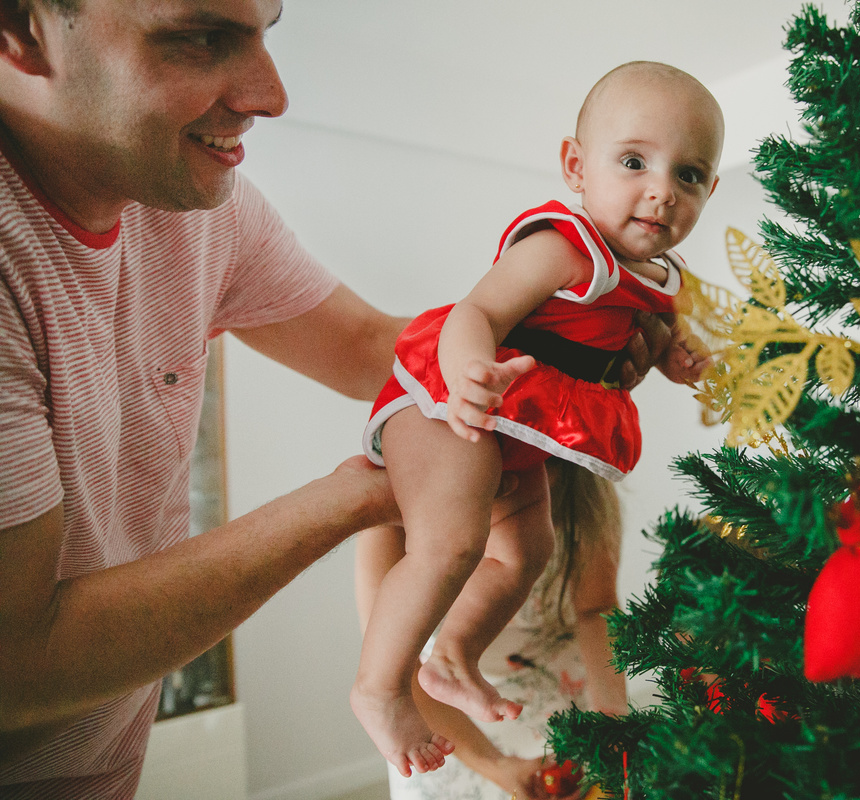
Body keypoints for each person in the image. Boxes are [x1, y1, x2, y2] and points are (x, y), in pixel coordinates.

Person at [0, 2, 665, 797]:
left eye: (265, 31)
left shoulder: (202, 209)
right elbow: (16, 663)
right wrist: (352, 498)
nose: (272, 94)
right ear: (21, 27)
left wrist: (560, 363)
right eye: (201, 37)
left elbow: (367, 346)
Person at [352, 60, 723, 778]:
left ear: (710, 190)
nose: (662, 190)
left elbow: (652, 343)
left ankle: (452, 653)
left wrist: (677, 361)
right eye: (634, 162)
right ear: (576, 167)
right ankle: (378, 687)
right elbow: (477, 311)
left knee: (526, 551)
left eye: (689, 174)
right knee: (454, 542)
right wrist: (470, 376)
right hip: (461, 406)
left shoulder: (661, 279)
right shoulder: (562, 247)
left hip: (523, 431)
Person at [356, 458, 626, 800]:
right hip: (438, 715)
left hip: (561, 690)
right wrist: (495, 765)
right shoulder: (396, 498)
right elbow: (393, 671)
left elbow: (595, 610)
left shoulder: (576, 474)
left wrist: (611, 710)